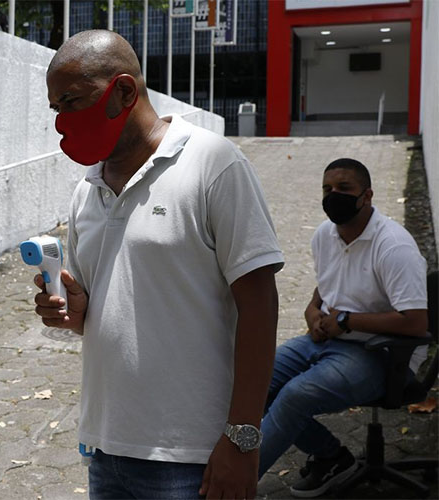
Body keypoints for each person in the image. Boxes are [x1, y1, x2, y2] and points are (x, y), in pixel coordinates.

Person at [33, 30, 284, 499]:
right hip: (106, 448)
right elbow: (94, 308)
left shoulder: (215, 165)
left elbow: (260, 306)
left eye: (71, 101)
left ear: (124, 91)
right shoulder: (87, 190)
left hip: (193, 457)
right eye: (56, 108)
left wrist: (243, 439)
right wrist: (71, 310)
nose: (63, 121)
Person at [258, 158, 428, 497]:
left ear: (367, 196)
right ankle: (332, 457)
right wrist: (311, 311)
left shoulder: (393, 245)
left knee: (294, 396)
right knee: (255, 382)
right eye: (327, 189)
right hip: (327, 340)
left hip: (382, 354)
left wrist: (347, 321)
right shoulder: (324, 235)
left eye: (344, 189)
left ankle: (231, 485)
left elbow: (416, 322)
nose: (333, 195)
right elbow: (326, 287)